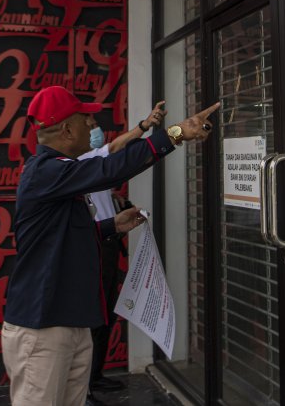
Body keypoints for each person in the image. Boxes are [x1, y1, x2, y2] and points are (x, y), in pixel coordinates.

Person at [2, 85, 219, 406]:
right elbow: (108, 168)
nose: (92, 125)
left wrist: (111, 226)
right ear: (66, 129)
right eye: (85, 119)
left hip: (68, 324)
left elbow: (60, 235)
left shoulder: (57, 171)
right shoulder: (45, 172)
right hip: (43, 329)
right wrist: (175, 133)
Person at [78, 101, 167, 401]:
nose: (95, 131)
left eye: (94, 125)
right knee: (94, 318)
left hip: (108, 243)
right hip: (95, 247)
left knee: (105, 316)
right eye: (89, 126)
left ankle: (95, 377)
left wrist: (116, 202)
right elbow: (117, 148)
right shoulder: (81, 163)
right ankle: (84, 385)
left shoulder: (92, 167)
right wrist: (145, 126)